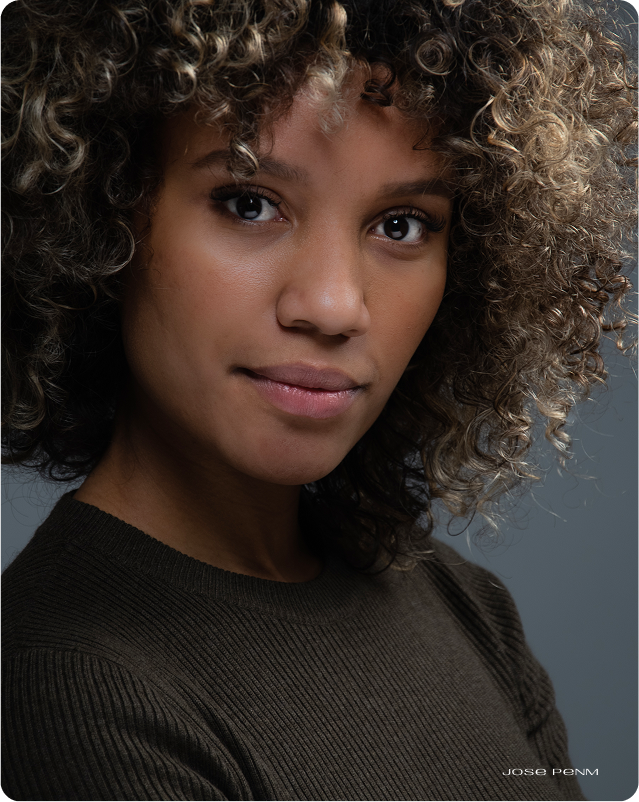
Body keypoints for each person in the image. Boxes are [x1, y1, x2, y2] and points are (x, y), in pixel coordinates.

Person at [0, 0, 636, 800]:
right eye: (248, 203)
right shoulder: (67, 693)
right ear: (101, 220)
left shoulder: (460, 604)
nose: (335, 306)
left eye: (401, 225)